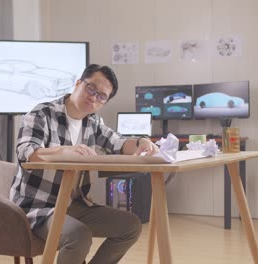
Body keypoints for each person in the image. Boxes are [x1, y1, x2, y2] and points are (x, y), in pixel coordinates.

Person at [10, 64, 159, 264]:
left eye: (101, 96)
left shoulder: (93, 122)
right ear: (78, 83)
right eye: (91, 88)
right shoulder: (42, 113)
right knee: (78, 236)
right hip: (38, 207)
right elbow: (25, 151)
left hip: (75, 205)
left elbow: (119, 142)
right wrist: (62, 151)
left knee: (131, 226)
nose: (93, 98)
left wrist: (142, 142)